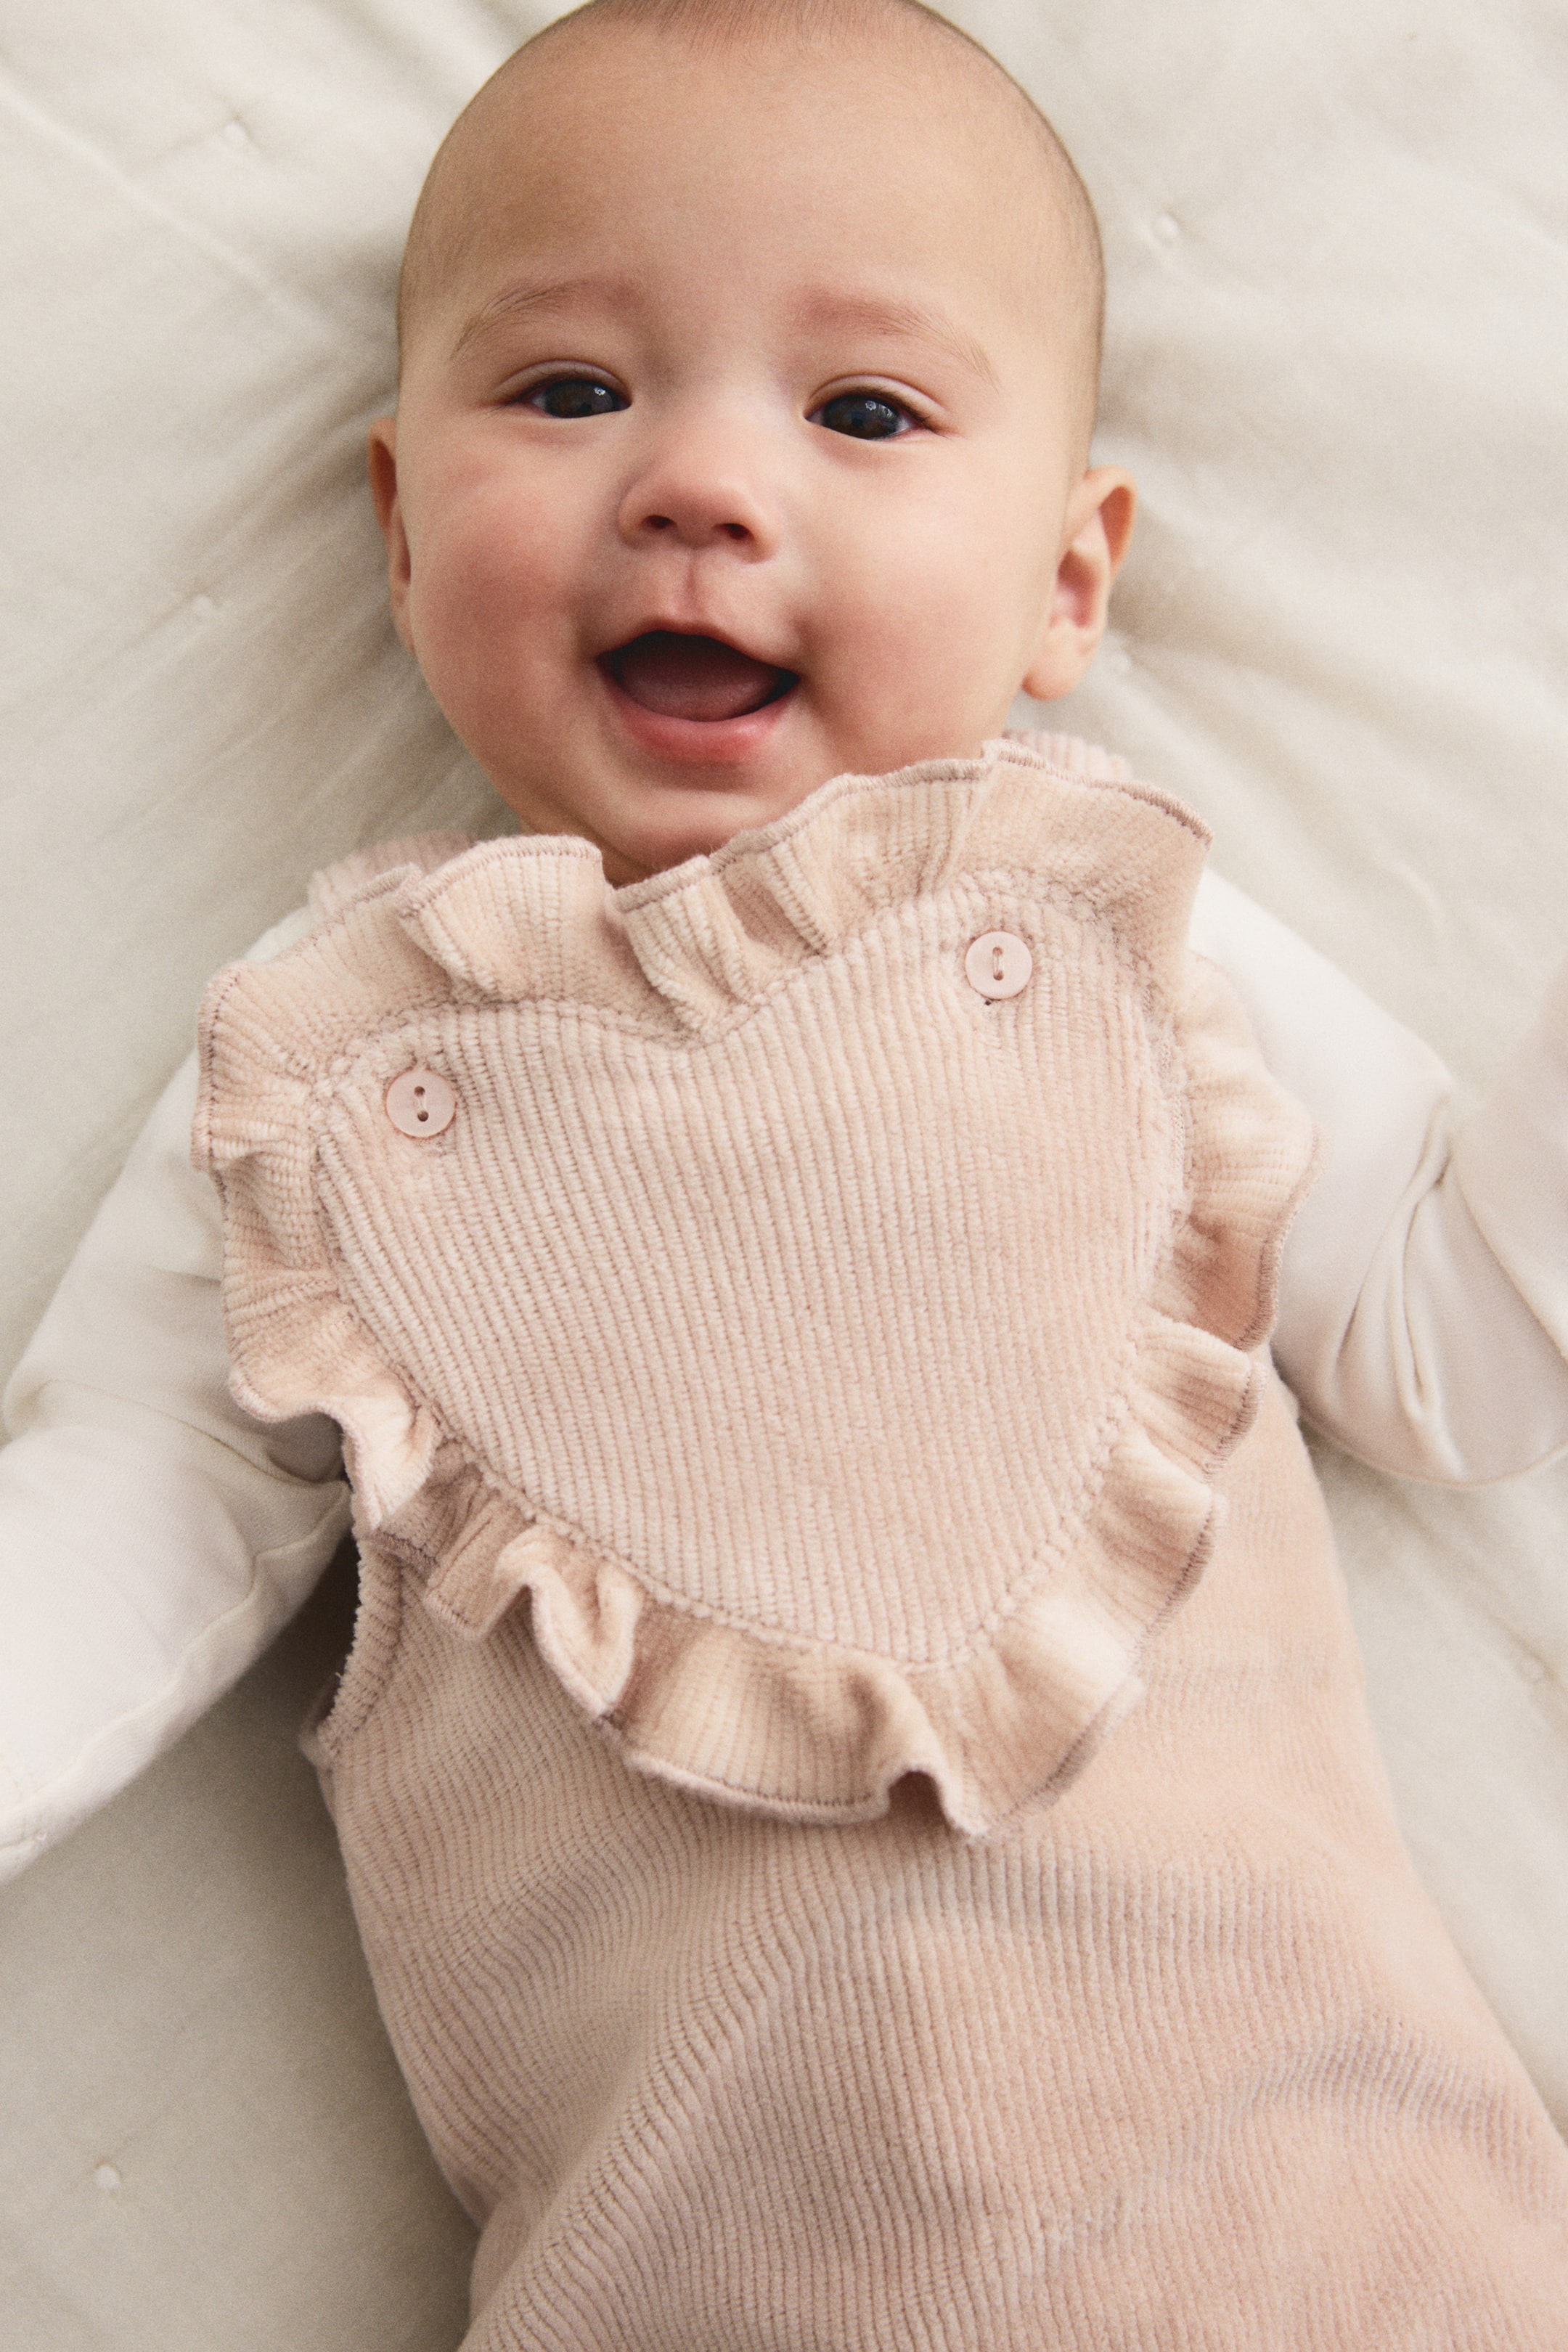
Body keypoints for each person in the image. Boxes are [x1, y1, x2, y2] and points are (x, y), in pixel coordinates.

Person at [5, 0, 1568, 2339]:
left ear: (1070, 579)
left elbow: (1460, 1347)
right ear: (402, 521)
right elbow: (126, 1507)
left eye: (861, 413)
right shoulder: (323, 1060)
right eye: (569, 393)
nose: (701, 486)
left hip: (1361, 2250)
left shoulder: (1120, 917)